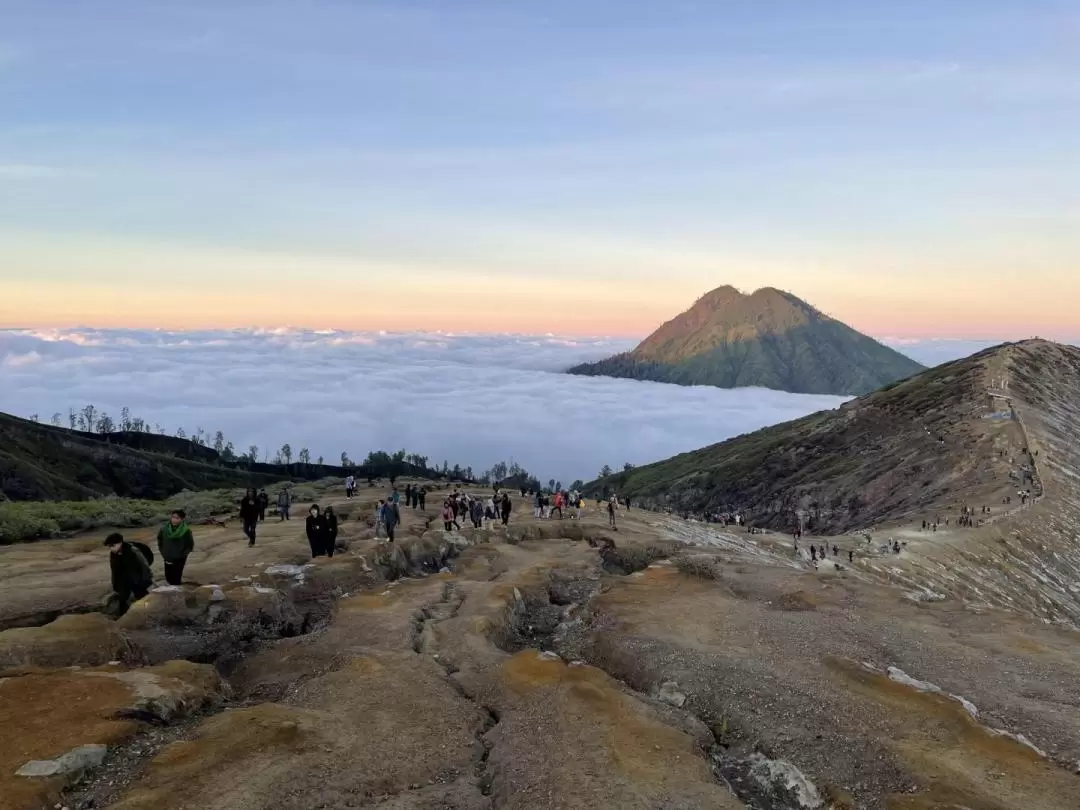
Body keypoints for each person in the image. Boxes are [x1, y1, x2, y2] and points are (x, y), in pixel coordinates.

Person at [104, 532, 153, 617]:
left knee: (143, 597)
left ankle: (149, 612)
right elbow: (114, 570)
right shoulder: (113, 554)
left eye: (112, 545)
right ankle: (123, 617)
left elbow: (144, 566)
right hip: (124, 579)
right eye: (109, 546)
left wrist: (146, 580)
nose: (111, 548)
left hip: (137, 579)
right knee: (122, 598)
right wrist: (115, 585)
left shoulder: (133, 551)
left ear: (120, 542)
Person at [157, 509, 194, 585]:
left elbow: (190, 545)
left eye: (177, 518)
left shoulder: (186, 531)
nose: (174, 520)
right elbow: (160, 540)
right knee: (168, 578)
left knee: (176, 579)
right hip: (167, 557)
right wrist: (163, 552)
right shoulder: (164, 529)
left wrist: (182, 555)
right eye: (173, 517)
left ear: (182, 519)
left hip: (179, 559)